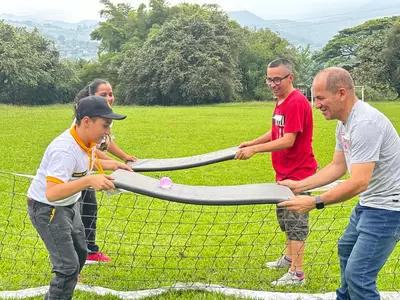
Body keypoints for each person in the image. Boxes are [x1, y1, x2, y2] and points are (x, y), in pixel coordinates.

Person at [278, 67, 400, 300]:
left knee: (359, 277)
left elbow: (359, 182)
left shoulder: (365, 123)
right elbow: (337, 167)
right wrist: (299, 185)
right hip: (370, 204)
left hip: (389, 209)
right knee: (346, 250)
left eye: (321, 98)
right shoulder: (344, 124)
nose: (316, 105)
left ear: (341, 93)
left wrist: (315, 202)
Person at [27, 96, 132, 300]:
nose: (108, 131)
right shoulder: (65, 150)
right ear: (86, 121)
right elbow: (52, 192)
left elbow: (84, 164)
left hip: (68, 205)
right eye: (105, 125)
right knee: (67, 266)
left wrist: (115, 165)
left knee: (81, 253)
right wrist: (88, 182)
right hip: (47, 209)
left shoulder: (86, 142)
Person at [235, 58, 317, 285]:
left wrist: (255, 150)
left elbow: (288, 140)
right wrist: (251, 142)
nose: (272, 84)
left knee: (296, 221)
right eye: (269, 79)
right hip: (284, 173)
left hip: (299, 174)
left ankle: (297, 274)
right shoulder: (281, 101)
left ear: (290, 77)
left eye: (277, 79)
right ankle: (289, 258)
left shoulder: (296, 102)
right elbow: (276, 132)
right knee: (285, 218)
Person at [74, 79, 137, 264]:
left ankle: (90, 250)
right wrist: (113, 164)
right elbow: (92, 151)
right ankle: (71, 264)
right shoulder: (87, 121)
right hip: (73, 179)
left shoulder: (103, 118)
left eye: (110, 94)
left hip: (86, 174)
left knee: (89, 211)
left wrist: (123, 159)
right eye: (103, 95)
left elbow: (105, 143)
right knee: (73, 221)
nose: (109, 98)